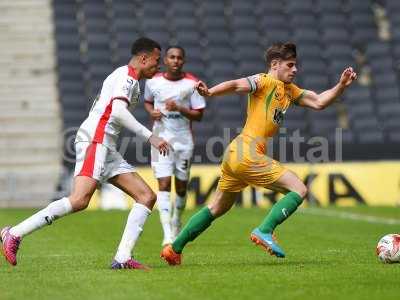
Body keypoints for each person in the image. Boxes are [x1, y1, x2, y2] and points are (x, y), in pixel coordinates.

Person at [161, 42, 357, 265]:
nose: (295, 70)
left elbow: (319, 101)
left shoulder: (290, 91)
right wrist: (210, 92)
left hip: (235, 154)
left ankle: (174, 249)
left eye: (296, 65)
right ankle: (265, 230)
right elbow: (236, 85)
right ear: (275, 64)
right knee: (299, 189)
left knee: (217, 207)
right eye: (290, 65)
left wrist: (341, 85)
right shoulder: (264, 81)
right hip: (247, 153)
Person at [1, 37, 170, 270]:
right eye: (156, 59)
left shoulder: (127, 78)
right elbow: (119, 112)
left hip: (105, 145)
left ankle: (122, 258)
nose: (158, 65)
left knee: (146, 197)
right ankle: (15, 233)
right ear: (143, 58)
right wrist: (151, 136)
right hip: (96, 141)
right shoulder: (127, 77)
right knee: (79, 200)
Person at [144, 46, 206, 247]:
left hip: (184, 141)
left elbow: (199, 115)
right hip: (161, 138)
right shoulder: (153, 82)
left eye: (179, 57)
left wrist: (179, 108)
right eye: (172, 57)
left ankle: (176, 219)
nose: (176, 61)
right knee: (163, 185)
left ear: (183, 61)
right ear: (165, 60)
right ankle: (167, 233)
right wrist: (151, 112)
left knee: (180, 187)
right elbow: (147, 102)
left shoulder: (191, 84)